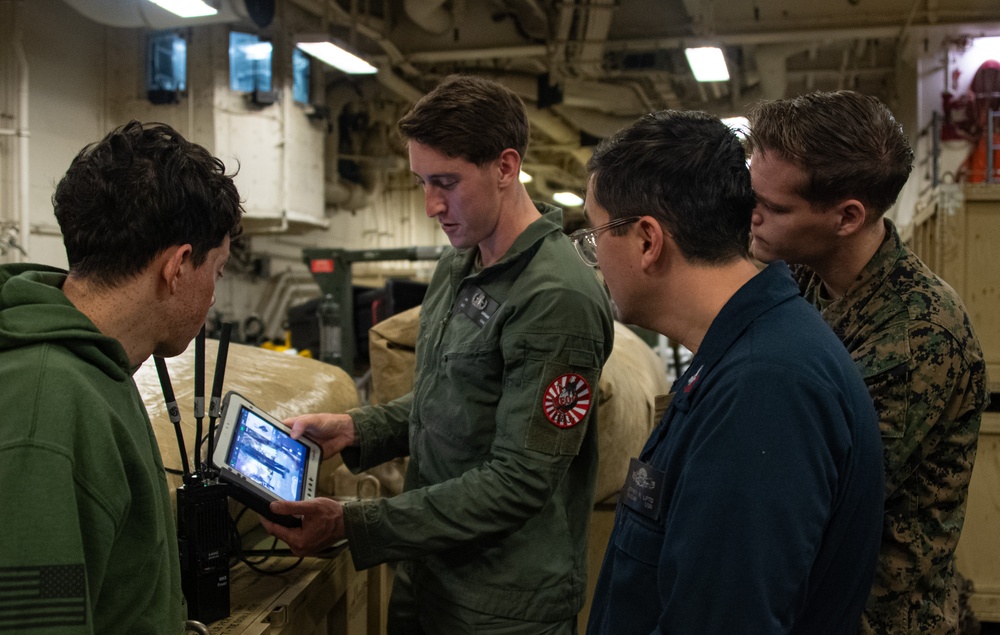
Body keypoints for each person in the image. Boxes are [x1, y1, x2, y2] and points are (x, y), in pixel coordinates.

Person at [261, 74, 614, 633]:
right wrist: (356, 430)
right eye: (422, 182)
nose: (431, 205)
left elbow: (520, 478)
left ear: (505, 167)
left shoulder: (555, 297)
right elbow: (451, 401)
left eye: (445, 182)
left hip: (501, 605)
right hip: (431, 574)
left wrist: (356, 524)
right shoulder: (461, 263)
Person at [581, 110, 885, 634]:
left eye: (595, 234)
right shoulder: (739, 355)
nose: (594, 257)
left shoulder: (764, 388)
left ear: (647, 240)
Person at [747, 90, 990, 634]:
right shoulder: (807, 277)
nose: (752, 215)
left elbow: (819, 497)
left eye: (776, 207)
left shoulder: (917, 336)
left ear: (847, 217)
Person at [0, 121, 243, 634]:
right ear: (178, 267)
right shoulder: (47, 409)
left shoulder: (99, 366)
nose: (213, 295)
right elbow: (38, 617)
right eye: (216, 271)